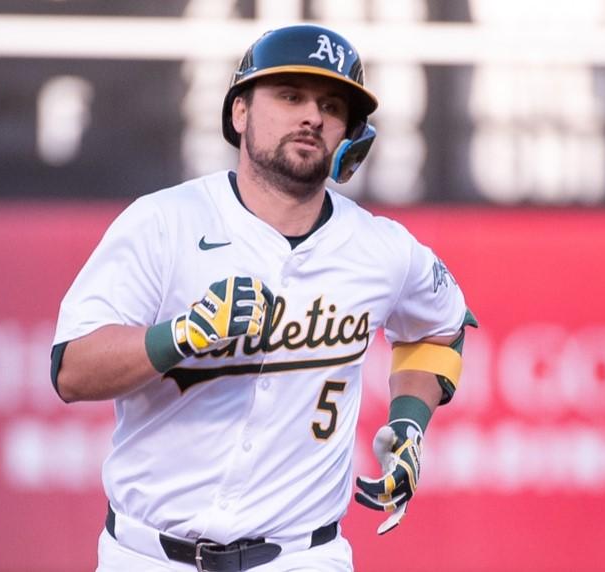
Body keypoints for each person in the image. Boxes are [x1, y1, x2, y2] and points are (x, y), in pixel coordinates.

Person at [51, 23, 477, 572]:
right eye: (289, 95)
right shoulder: (163, 222)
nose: (312, 116)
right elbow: (72, 370)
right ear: (240, 113)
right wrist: (181, 335)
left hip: (303, 556)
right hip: (147, 554)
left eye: (331, 105)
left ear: (351, 133)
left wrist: (412, 422)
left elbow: (440, 324)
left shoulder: (382, 248)